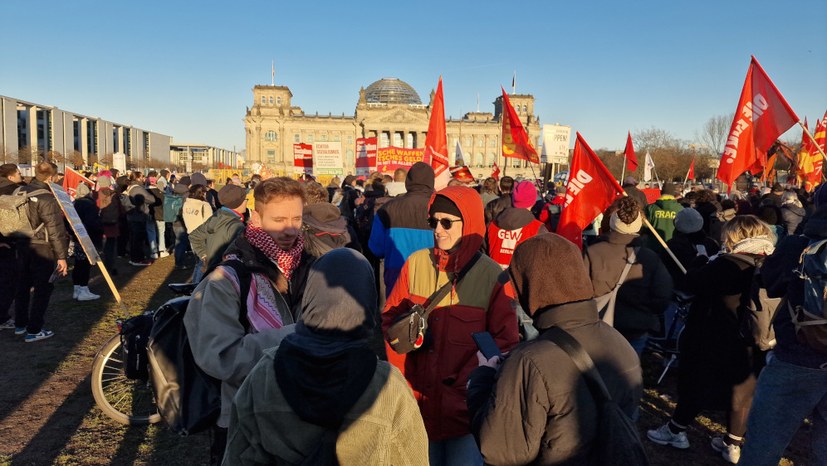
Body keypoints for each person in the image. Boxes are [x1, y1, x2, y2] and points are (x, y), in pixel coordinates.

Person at [223, 248, 428, 465]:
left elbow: (237, 453)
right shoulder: (388, 387)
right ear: (367, 302)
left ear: (310, 297)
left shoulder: (264, 374)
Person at [467, 232, 642, 465]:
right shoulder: (620, 343)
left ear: (530, 287)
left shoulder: (529, 361)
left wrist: (483, 380)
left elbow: (501, 450)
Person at [382, 185, 519, 466]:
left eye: (447, 222)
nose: (438, 230)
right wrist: (402, 383)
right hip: (418, 405)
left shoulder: (492, 275)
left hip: (464, 413)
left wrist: (470, 384)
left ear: (468, 222)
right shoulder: (416, 263)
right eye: (433, 221)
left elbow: (504, 342)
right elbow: (390, 323)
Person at [185, 177, 314, 464]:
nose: (290, 229)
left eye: (297, 218)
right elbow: (220, 357)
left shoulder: (310, 265)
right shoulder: (226, 279)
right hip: (246, 418)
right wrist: (298, 336)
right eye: (279, 219)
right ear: (255, 216)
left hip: (303, 414)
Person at [647, 215, 776, 464]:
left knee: (695, 384)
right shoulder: (768, 262)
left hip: (711, 335)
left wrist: (698, 263)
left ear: (736, 236)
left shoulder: (727, 264)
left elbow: (692, 282)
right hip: (752, 338)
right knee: (743, 393)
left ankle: (675, 430)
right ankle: (733, 443)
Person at [740, 197, 827, 465]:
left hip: (797, 358)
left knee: (765, 442)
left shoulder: (795, 245)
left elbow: (771, 283)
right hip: (805, 359)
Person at [584, 196, 672, 354]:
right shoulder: (649, 258)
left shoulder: (592, 252)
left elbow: (579, 290)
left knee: (598, 374)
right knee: (629, 373)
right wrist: (644, 311)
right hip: (636, 327)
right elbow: (663, 295)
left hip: (598, 326)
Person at [14, 162, 69, 342]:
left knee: (22, 285)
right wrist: (62, 257)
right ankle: (34, 329)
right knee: (42, 288)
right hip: (42, 247)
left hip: (21, 244)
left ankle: (20, 324)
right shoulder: (47, 198)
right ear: (51, 178)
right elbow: (55, 229)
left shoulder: (20, 192)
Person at [368, 162, 435, 296]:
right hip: (432, 275)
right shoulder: (440, 208)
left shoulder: (387, 209)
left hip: (396, 275)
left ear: (408, 182)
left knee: (397, 315)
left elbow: (376, 248)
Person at [188, 184, 247, 279]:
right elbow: (241, 255)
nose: (246, 202)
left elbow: (194, 236)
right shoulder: (237, 226)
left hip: (212, 270)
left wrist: (205, 256)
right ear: (238, 203)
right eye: (245, 199)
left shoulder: (217, 215)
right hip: (225, 275)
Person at [485, 180, 547, 269]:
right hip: (519, 280)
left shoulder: (492, 224)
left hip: (493, 277)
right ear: (533, 202)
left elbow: (483, 253)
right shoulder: (538, 228)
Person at [0, 164, 23, 330]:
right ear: (10, 177)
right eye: (18, 172)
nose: (21, 175)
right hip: (8, 242)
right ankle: (2, 317)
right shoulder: (11, 191)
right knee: (8, 282)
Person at [71, 182, 102, 301]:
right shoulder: (89, 204)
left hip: (77, 237)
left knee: (78, 264)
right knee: (85, 264)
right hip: (87, 238)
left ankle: (77, 289)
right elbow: (92, 222)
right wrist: (100, 226)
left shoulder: (73, 204)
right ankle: (84, 289)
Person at [644, 181, 684, 251]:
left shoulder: (651, 208)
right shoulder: (680, 209)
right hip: (674, 249)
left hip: (653, 247)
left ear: (661, 192)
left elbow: (645, 227)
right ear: (673, 193)